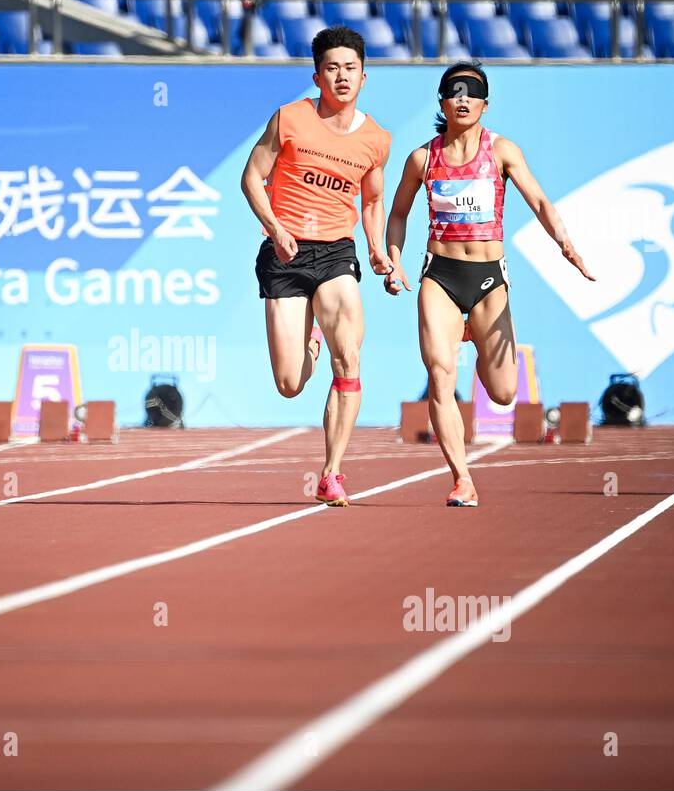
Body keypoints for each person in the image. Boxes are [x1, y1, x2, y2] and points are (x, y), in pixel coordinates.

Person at [383, 61, 596, 507]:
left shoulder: (501, 151)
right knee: (440, 375)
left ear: (484, 102)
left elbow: (538, 199)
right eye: (453, 91)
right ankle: (462, 478)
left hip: (487, 279)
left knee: (502, 393)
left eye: (471, 92)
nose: (462, 99)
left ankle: (475, 335)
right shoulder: (423, 158)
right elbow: (399, 212)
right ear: (441, 101)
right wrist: (395, 261)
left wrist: (566, 244)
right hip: (439, 277)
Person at [241, 26, 392, 507]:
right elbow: (251, 176)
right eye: (332, 68)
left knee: (348, 359)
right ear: (317, 76)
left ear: (364, 77)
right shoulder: (289, 118)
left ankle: (332, 472)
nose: (342, 76)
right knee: (289, 384)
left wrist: (377, 250)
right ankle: (311, 339)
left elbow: (371, 202)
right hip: (285, 253)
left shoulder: (376, 139)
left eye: (350, 68)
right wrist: (275, 228)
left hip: (336, 255)